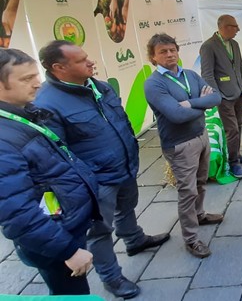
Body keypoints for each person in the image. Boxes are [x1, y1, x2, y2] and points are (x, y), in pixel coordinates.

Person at [35, 41, 170, 299]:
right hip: (96, 182)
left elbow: (121, 121)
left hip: (124, 166)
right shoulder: (47, 104)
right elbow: (58, 156)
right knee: (98, 231)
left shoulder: (99, 86)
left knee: (127, 206)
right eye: (81, 60)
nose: (90, 62)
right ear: (58, 67)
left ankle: (134, 239)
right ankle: (112, 278)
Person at [0, 48, 99, 295]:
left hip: (63, 228)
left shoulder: (22, 115)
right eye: (26, 79)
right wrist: (67, 251)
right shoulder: (3, 139)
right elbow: (16, 212)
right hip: (54, 241)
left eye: (36, 76)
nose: (37, 84)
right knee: (69, 294)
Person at [144, 34, 224, 259]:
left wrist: (191, 103)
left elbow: (216, 98)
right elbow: (176, 115)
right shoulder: (154, 84)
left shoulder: (189, 75)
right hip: (179, 145)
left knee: (200, 182)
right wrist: (202, 104)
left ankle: (199, 215)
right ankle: (191, 239)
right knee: (187, 191)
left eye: (172, 50)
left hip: (201, 136)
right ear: (153, 57)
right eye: (163, 52)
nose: (169, 54)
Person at [200, 14, 242, 179]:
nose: (238, 29)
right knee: (232, 130)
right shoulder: (208, 46)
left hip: (239, 92)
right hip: (224, 96)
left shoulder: (234, 44)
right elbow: (207, 74)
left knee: (239, 125)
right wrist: (218, 95)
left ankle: (236, 154)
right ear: (224, 27)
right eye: (235, 26)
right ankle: (234, 163)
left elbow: (240, 67)